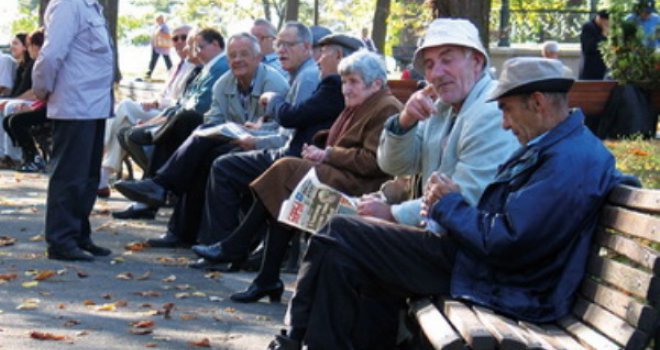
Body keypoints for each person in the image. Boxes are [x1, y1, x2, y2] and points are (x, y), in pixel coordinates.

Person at [264, 56, 624, 350]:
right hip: (488, 266)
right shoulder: (559, 146)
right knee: (346, 257)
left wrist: (447, 204)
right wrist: (439, 201)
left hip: (506, 282)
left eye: (507, 110)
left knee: (340, 233)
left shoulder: (568, 160)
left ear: (538, 103)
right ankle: (295, 341)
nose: (503, 124)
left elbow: (506, 242)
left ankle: (291, 340)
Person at [194, 50, 402, 305]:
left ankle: (237, 245)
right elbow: (349, 144)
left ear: (376, 84)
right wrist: (320, 149)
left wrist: (327, 154)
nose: (346, 88)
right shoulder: (363, 102)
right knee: (285, 196)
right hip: (342, 175)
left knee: (286, 170)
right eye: (344, 81)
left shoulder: (386, 107)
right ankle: (266, 278)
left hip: (362, 187)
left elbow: (374, 162)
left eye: (353, 82)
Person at [188, 34, 362, 270]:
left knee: (228, 167)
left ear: (339, 56)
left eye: (288, 44)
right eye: (279, 45)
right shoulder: (325, 81)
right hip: (304, 156)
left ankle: (226, 249)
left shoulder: (327, 82)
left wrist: (273, 100)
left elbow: (292, 117)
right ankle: (249, 263)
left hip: (309, 162)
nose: (318, 60)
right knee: (222, 157)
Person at [114, 32, 289, 247]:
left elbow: (280, 129)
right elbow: (213, 120)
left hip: (261, 145)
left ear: (258, 57)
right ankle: (175, 218)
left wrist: (249, 132)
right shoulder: (223, 84)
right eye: (232, 55)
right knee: (196, 139)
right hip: (232, 141)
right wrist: (233, 130)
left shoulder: (275, 83)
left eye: (244, 54)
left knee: (201, 153)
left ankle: (165, 195)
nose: (237, 60)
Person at [357, 18, 517, 234]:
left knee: (342, 233)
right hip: (438, 231)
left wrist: (393, 214)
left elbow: (470, 196)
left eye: (447, 60)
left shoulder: (491, 109)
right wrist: (405, 121)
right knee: (341, 232)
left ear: (477, 62)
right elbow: (393, 165)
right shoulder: (441, 108)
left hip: (467, 246)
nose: (436, 74)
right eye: (430, 65)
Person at [112, 28, 228, 219]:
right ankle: (152, 193)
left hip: (210, 127)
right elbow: (183, 102)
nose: (196, 51)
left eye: (200, 47)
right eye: (195, 48)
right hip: (190, 123)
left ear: (216, 44)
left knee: (179, 122)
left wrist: (160, 124)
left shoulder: (221, 67)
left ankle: (152, 194)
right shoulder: (207, 68)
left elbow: (200, 106)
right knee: (147, 130)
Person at [32, 0, 114, 261]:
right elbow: (52, 53)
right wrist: (41, 90)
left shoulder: (92, 7)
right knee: (70, 176)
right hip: (75, 104)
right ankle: (61, 240)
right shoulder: (68, 4)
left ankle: (78, 234)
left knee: (88, 178)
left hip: (95, 106)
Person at [98, 24, 194, 196]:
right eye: (175, 38)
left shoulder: (195, 67)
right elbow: (165, 94)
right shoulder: (175, 67)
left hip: (171, 116)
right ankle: (103, 177)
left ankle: (100, 154)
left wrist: (157, 103)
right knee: (124, 121)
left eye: (184, 37)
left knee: (125, 106)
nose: (179, 42)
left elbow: (182, 102)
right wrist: (154, 101)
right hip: (160, 111)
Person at [2, 28, 47, 173]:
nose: (28, 49)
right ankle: (23, 156)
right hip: (41, 104)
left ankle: (19, 157)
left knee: (13, 116)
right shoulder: (26, 66)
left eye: (28, 46)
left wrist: (17, 102)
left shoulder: (41, 64)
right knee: (9, 119)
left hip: (48, 108)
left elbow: (38, 91)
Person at [0, 32, 33, 168]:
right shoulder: (21, 67)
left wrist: (12, 100)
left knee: (8, 107)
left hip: (31, 102)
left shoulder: (33, 64)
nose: (12, 47)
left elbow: (35, 91)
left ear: (25, 47)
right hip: (18, 99)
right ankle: (3, 155)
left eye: (15, 43)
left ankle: (13, 156)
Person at [579, 10, 609, 79]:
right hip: (590, 68)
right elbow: (590, 47)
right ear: (601, 19)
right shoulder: (588, 27)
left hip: (601, 68)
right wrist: (604, 35)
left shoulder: (603, 29)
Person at [145, 14, 173, 79]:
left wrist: (160, 34)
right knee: (153, 60)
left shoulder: (165, 26)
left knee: (167, 60)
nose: (157, 20)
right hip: (156, 46)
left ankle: (172, 74)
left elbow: (168, 36)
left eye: (158, 18)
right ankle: (148, 73)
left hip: (163, 47)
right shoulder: (157, 26)